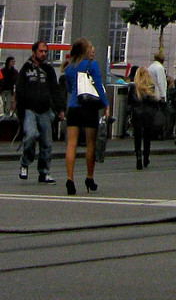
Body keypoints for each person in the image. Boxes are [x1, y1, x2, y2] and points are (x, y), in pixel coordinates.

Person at [57, 38, 107, 194]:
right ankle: (89, 177)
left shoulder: (69, 67)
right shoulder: (91, 65)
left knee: (71, 144)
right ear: (85, 50)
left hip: (73, 107)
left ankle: (70, 179)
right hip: (89, 108)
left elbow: (70, 88)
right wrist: (105, 104)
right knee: (90, 143)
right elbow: (98, 84)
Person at [16, 48, 57, 184]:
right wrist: (20, 111)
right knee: (31, 135)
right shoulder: (26, 69)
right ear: (34, 52)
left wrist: (59, 108)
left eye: (45, 51)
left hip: (45, 109)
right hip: (29, 109)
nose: (43, 54)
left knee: (46, 142)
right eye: (41, 51)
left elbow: (54, 89)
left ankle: (44, 172)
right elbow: (20, 89)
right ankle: (25, 163)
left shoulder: (48, 69)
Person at [129, 56, 164, 170]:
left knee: (137, 136)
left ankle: (138, 157)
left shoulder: (134, 87)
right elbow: (154, 101)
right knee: (147, 136)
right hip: (148, 114)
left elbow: (130, 101)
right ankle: (146, 157)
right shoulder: (151, 86)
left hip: (137, 113)